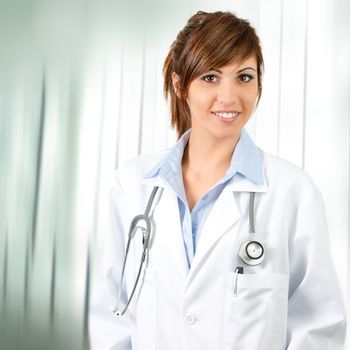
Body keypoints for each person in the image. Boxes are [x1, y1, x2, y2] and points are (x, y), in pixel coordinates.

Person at [89, 10, 347, 350]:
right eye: (211, 77)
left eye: (244, 77)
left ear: (259, 85)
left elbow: (317, 326)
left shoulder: (292, 192)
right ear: (181, 85)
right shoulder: (133, 186)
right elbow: (114, 316)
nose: (229, 97)